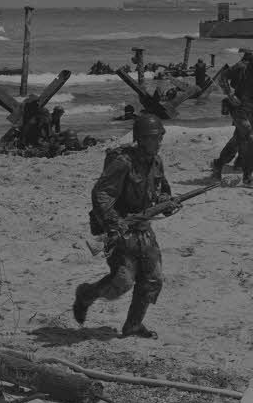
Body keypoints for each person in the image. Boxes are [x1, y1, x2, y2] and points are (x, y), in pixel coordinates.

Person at [73, 112, 177, 338]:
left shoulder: (156, 162)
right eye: (153, 137)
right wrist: (114, 222)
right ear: (141, 138)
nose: (158, 142)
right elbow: (101, 193)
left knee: (153, 279)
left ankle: (133, 326)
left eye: (160, 136)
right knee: (122, 281)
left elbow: (162, 191)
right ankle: (86, 295)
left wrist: (165, 203)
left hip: (143, 229)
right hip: (121, 230)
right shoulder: (123, 163)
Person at [211, 45, 253, 185]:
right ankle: (248, 175)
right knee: (248, 136)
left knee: (237, 141)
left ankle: (218, 164)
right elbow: (222, 77)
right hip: (238, 109)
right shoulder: (241, 67)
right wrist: (230, 94)